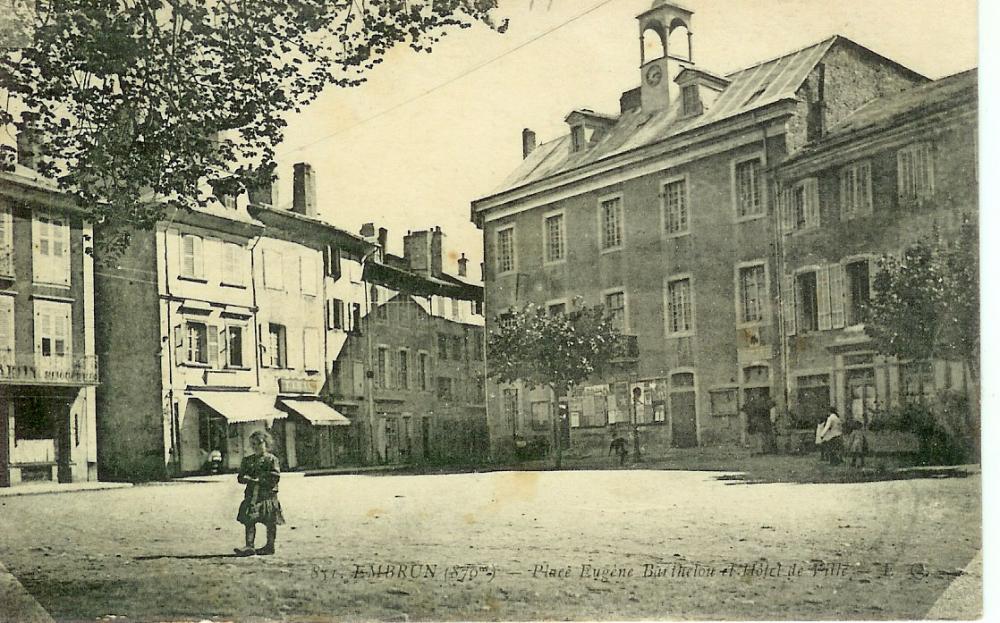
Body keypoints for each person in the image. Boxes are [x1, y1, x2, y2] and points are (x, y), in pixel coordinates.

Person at [234, 430, 285, 556]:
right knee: (249, 519)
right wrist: (246, 478)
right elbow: (240, 477)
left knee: (270, 521)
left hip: (267, 495)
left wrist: (261, 479)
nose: (256, 447)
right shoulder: (247, 460)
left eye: (259, 443)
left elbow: (275, 476)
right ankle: (249, 545)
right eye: (253, 444)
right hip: (252, 496)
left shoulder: (271, 459)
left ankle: (270, 545)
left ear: (266, 443)